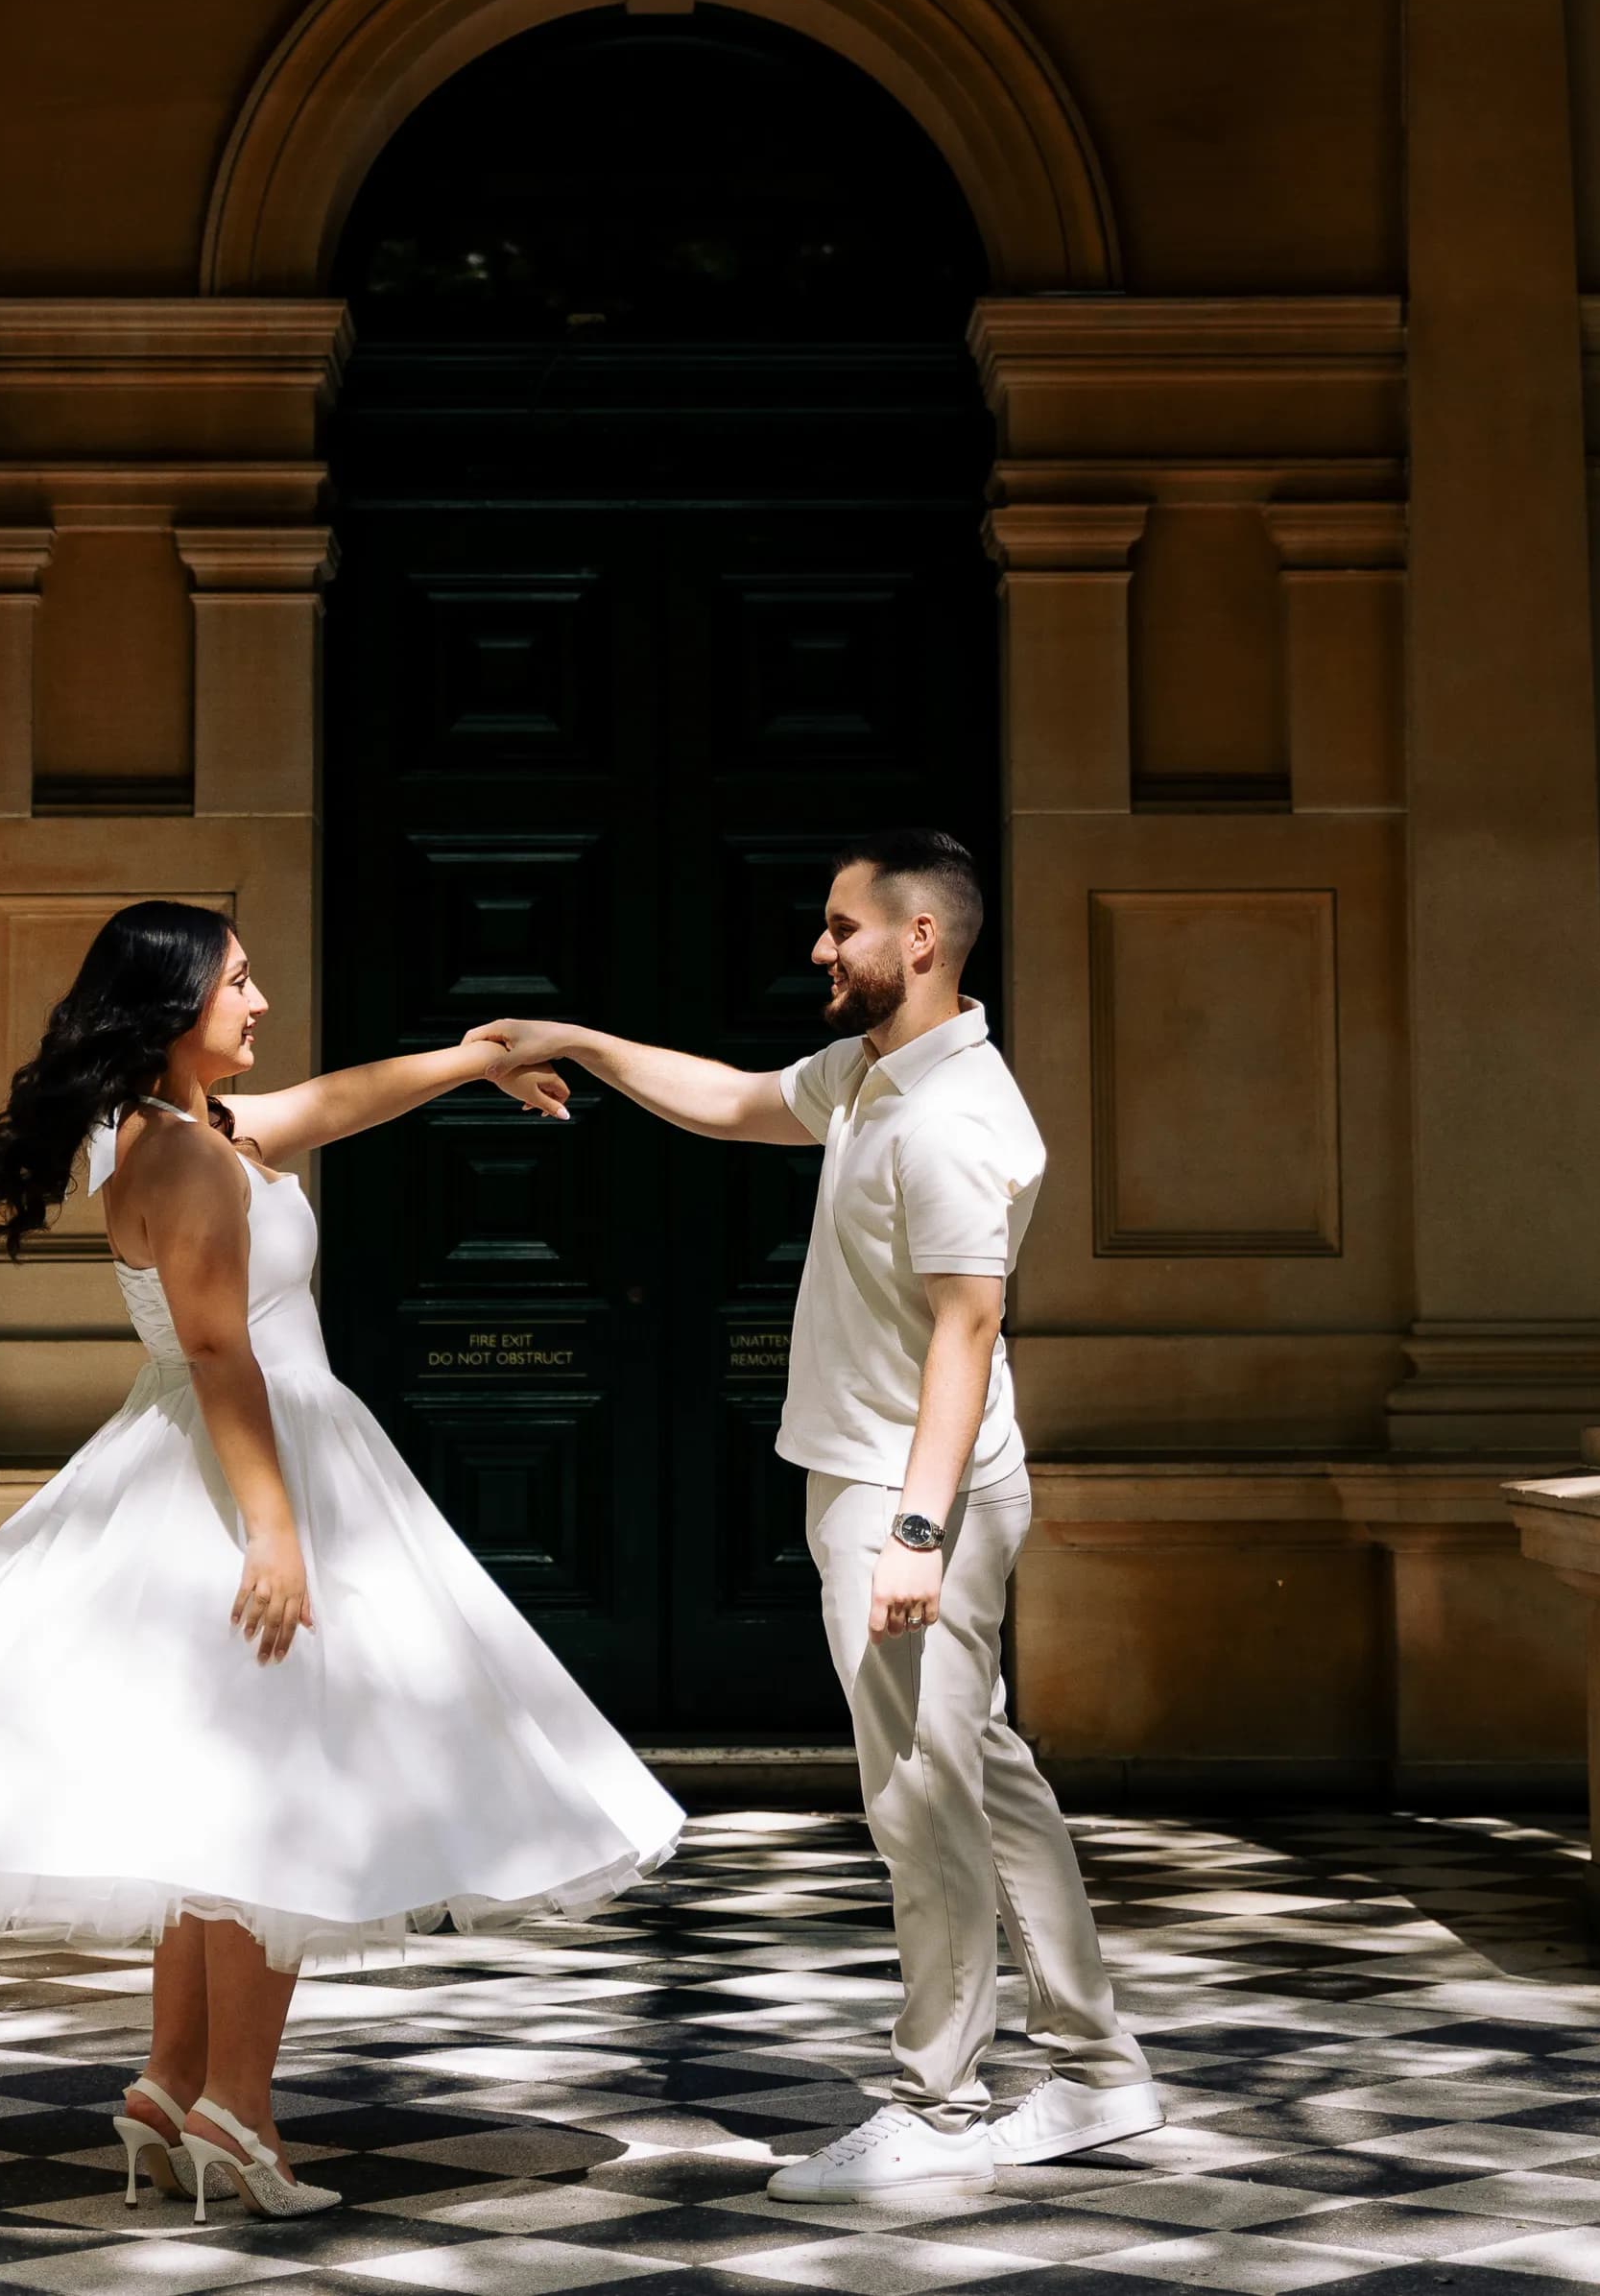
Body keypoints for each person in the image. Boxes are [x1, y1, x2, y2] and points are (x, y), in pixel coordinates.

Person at [0, 900, 682, 2225]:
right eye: (238, 983)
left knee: (215, 1798)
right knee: (273, 1798)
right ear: (174, 1003)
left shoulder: (188, 1134)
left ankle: (172, 2081)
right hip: (243, 1469)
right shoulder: (183, 1158)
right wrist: (277, 1527)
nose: (258, 1002)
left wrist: (473, 1060)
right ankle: (240, 2110)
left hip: (235, 1456)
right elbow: (216, 1351)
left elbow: (335, 1104)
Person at [470, 829, 1161, 2205]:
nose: (817, 949)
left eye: (841, 926)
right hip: (881, 1475)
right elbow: (735, 1102)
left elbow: (969, 1333)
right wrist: (585, 1042)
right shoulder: (876, 1074)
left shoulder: (953, 1119)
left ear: (918, 940)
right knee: (981, 1773)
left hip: (914, 1490)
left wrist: (913, 1532)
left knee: (920, 1796)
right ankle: (1096, 2072)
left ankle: (940, 2105)